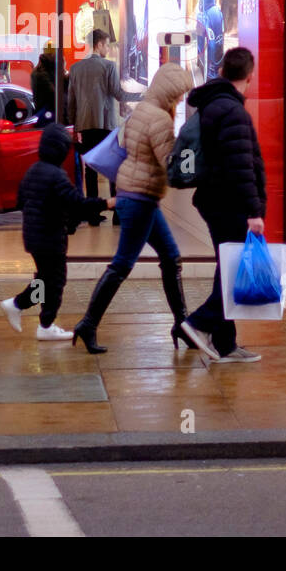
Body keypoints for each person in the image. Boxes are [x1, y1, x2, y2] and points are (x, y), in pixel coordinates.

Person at [71, 63, 193, 353]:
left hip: (138, 196)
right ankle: (88, 323)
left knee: (171, 258)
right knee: (123, 264)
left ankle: (182, 325)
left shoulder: (141, 111)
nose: (179, 100)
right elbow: (170, 164)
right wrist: (188, 153)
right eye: (178, 95)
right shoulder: (160, 119)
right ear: (169, 92)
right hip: (139, 199)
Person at [178, 47, 266, 363]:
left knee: (227, 268)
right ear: (249, 75)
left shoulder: (212, 105)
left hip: (214, 200)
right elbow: (241, 166)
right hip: (230, 204)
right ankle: (198, 324)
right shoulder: (233, 112)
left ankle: (225, 343)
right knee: (234, 272)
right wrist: (254, 212)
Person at [0, 123, 112, 341]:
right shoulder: (57, 175)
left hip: (33, 236)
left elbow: (21, 200)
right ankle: (43, 323)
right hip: (50, 237)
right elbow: (76, 203)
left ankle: (19, 306)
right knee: (56, 281)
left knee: (44, 279)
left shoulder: (33, 170)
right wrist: (106, 203)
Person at [66, 28, 125, 223]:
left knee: (90, 168)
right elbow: (117, 93)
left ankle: (92, 214)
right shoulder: (109, 67)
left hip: (84, 124)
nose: (108, 49)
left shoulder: (75, 69)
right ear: (99, 44)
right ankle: (118, 213)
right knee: (113, 168)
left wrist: (74, 126)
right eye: (107, 44)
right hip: (106, 124)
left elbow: (71, 101)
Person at [31, 43, 65, 124]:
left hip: (43, 114)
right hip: (49, 115)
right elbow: (54, 95)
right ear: (54, 54)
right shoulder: (49, 71)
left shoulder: (38, 71)